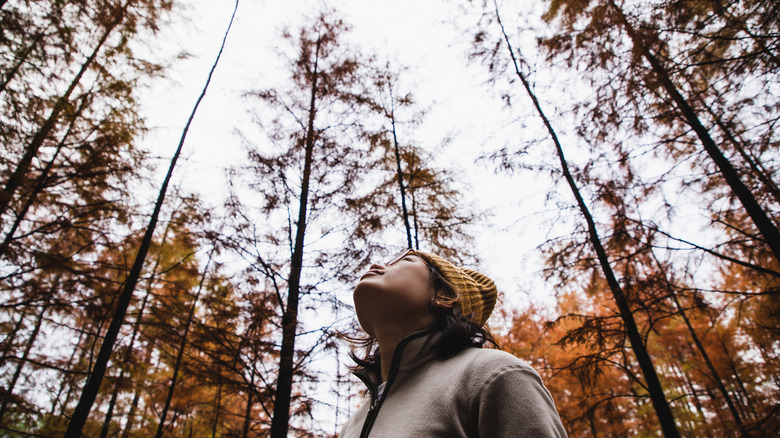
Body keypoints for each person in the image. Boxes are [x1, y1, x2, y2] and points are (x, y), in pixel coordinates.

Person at [338, 248, 568, 437]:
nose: (376, 266)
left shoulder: (493, 375)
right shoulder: (351, 425)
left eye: (405, 261)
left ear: (444, 297)